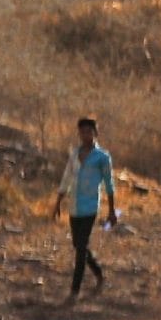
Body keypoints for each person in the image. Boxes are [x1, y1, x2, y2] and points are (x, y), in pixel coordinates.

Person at [55, 115, 118, 303]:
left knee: (81, 247)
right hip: (74, 206)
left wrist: (112, 211)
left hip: (90, 206)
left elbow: (109, 184)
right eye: (82, 131)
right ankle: (98, 273)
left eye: (89, 131)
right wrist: (58, 201)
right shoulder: (74, 154)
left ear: (95, 133)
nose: (85, 135)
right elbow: (67, 178)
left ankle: (74, 291)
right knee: (78, 245)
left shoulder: (102, 157)